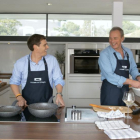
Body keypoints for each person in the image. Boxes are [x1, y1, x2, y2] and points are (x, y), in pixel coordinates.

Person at [10, 34, 65, 120]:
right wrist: (19, 96)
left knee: (50, 131)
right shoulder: (21, 63)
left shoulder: (52, 60)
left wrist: (59, 94)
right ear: (35, 47)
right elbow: (14, 82)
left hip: (48, 107)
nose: (47, 47)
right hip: (26, 107)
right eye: (44, 45)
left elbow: (58, 79)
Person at [98, 27, 140, 106]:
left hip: (125, 92)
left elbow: (133, 68)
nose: (112, 41)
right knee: (110, 117)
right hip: (110, 92)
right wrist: (131, 82)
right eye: (110, 38)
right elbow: (110, 76)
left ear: (122, 38)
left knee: (123, 116)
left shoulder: (128, 52)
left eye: (115, 38)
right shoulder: (105, 54)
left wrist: (137, 77)